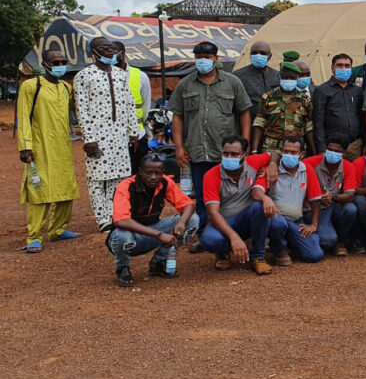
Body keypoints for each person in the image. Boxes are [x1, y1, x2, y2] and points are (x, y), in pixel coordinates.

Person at [170, 41, 252, 229]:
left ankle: (231, 230)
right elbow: (178, 116)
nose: (203, 61)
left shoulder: (232, 82)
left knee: (231, 194)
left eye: (207, 57)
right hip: (199, 150)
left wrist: (244, 143)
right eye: (199, 57)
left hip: (227, 152)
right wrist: (179, 147)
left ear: (216, 59)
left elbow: (244, 112)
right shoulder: (185, 84)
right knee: (202, 194)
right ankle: (205, 233)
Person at [74, 37, 138, 233]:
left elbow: (129, 103)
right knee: (97, 178)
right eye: (104, 48)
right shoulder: (83, 76)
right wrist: (89, 138)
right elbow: (81, 109)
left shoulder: (121, 74)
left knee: (117, 177)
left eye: (111, 47)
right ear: (93, 51)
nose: (110, 50)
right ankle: (102, 218)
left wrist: (133, 132)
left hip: (119, 135)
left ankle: (113, 215)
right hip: (97, 136)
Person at [18, 48, 79, 252]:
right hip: (39, 145)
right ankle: (33, 236)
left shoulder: (65, 87)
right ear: (45, 64)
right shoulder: (31, 86)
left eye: (63, 62)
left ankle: (58, 230)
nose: (60, 66)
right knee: (39, 190)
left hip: (62, 145)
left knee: (65, 187)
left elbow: (77, 111)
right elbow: (23, 117)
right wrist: (25, 147)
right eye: (55, 62)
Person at [107, 153, 199, 288]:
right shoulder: (125, 186)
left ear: (163, 173)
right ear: (140, 172)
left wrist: (181, 222)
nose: (153, 177)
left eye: (158, 173)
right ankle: (123, 268)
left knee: (192, 219)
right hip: (132, 236)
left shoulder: (165, 182)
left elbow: (188, 204)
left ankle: (159, 262)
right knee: (122, 234)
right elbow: (121, 221)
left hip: (154, 230)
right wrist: (159, 235)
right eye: (149, 173)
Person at [198, 136, 278, 275]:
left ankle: (258, 257)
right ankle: (222, 253)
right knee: (210, 239)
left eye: (234, 154)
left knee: (259, 207)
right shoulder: (211, 175)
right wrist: (234, 237)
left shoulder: (253, 162)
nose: (229, 158)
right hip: (223, 222)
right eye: (226, 153)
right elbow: (213, 213)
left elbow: (275, 154)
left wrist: (272, 164)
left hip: (247, 219)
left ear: (245, 155)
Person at [267, 136, 326, 264]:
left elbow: (315, 199)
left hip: (296, 221)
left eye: (293, 152)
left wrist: (314, 225)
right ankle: (278, 250)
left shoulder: (306, 170)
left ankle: (291, 244)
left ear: (301, 154)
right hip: (275, 219)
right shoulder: (272, 169)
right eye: (286, 151)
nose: (288, 155)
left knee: (315, 255)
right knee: (278, 224)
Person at [305, 133, 360, 256]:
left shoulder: (348, 166)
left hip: (335, 205)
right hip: (315, 208)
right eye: (329, 149)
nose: (332, 153)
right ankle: (326, 238)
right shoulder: (310, 163)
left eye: (336, 151)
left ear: (344, 154)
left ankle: (341, 242)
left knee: (351, 209)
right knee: (327, 240)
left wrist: (333, 197)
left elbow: (350, 195)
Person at [251, 59, 315, 155]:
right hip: (271, 147)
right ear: (279, 77)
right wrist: (254, 150)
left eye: (292, 77)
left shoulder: (305, 99)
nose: (288, 80)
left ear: (297, 78)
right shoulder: (268, 97)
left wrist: (313, 151)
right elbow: (259, 122)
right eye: (285, 77)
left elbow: (309, 127)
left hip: (296, 147)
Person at [313, 52, 365, 159]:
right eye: (340, 65)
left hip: (354, 146)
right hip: (332, 147)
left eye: (347, 66)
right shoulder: (322, 90)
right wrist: (322, 149)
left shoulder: (356, 90)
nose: (343, 68)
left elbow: (361, 117)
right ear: (332, 68)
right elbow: (318, 121)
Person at [111, 40, 151, 172]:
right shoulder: (100, 76)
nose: (109, 56)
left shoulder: (140, 76)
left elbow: (146, 105)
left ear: (122, 54)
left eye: (113, 52)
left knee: (138, 175)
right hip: (111, 138)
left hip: (137, 137)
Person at [233, 41, 279, 121]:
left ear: (270, 56)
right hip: (247, 124)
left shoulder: (277, 76)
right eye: (254, 53)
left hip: (272, 125)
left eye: (262, 53)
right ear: (250, 56)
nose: (258, 56)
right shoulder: (238, 76)